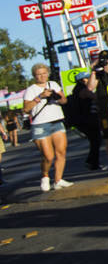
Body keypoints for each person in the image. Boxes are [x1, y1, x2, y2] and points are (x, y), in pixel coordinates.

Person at [23, 63, 73, 192]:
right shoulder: (31, 90)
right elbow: (26, 109)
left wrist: (57, 96)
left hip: (56, 121)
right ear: (35, 76)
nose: (42, 76)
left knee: (61, 152)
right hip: (40, 124)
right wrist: (40, 97)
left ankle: (58, 180)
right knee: (48, 156)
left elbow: (64, 101)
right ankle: (45, 176)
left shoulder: (53, 85)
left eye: (44, 73)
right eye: (39, 74)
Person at [70, 71, 102, 170]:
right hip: (86, 120)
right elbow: (93, 96)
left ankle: (92, 162)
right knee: (96, 140)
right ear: (83, 80)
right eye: (88, 78)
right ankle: (92, 162)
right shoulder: (81, 89)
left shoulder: (78, 89)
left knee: (95, 140)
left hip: (86, 119)